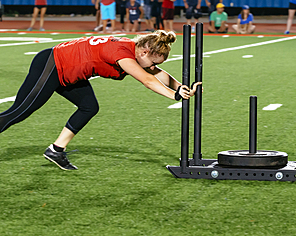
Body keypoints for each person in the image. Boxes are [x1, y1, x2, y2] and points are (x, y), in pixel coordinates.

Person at [0, 31, 202, 170]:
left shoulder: (133, 50)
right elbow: (148, 80)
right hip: (52, 65)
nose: (151, 67)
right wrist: (174, 95)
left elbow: (155, 72)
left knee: (89, 107)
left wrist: (178, 87)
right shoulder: (123, 54)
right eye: (151, 63)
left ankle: (56, 150)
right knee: (19, 112)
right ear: (144, 52)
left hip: (68, 73)